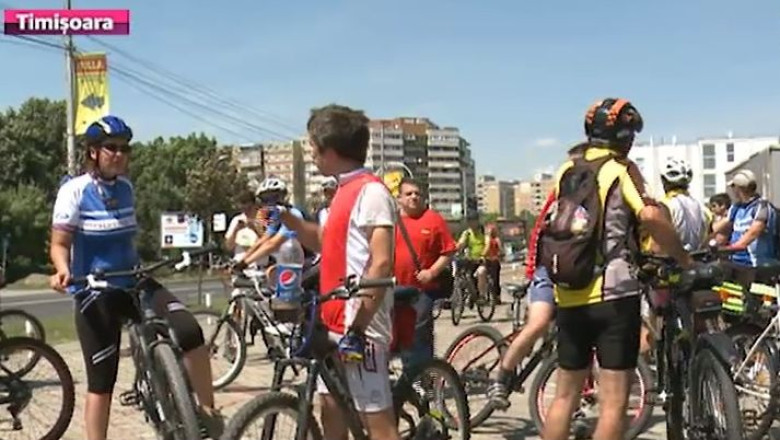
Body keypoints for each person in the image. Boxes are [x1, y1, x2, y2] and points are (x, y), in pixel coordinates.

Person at [48, 116, 223, 440]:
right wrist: (62, 269)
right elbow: (60, 244)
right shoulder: (74, 191)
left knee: (190, 330)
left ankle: (206, 413)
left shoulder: (126, 188)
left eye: (125, 148)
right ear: (92, 152)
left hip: (135, 280)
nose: (119, 154)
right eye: (111, 148)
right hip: (95, 290)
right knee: (102, 381)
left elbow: (126, 241)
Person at [542, 98, 692, 440]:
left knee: (565, 395)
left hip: (568, 293)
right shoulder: (619, 171)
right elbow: (651, 217)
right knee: (613, 403)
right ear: (624, 137)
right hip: (612, 295)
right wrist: (684, 259)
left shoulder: (566, 170)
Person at [265, 104, 400, 440]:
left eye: (312, 146)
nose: (310, 153)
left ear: (331, 149)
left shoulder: (371, 192)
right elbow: (328, 243)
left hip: (361, 323)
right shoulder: (341, 191)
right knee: (331, 408)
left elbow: (381, 261)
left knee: (377, 422)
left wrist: (359, 325)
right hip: (333, 317)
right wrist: (293, 222)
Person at [487, 190, 557, 409]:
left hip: (579, 277)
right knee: (539, 322)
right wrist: (531, 273)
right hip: (547, 270)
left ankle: (576, 405)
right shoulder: (561, 195)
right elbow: (537, 235)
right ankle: (502, 376)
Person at [394, 177, 456, 374]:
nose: (413, 197)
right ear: (399, 198)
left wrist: (432, 272)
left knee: (418, 335)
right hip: (393, 289)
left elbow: (448, 252)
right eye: (408, 193)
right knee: (398, 335)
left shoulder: (433, 219)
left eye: (417, 194)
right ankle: (409, 375)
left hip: (422, 291)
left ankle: (422, 377)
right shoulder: (390, 221)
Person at [235, 177, 305, 269]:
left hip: (307, 261)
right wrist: (241, 260)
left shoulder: (293, 214)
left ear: (284, 197)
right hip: (289, 261)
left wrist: (245, 263)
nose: (271, 202)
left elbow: (272, 244)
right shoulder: (276, 217)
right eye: (266, 199)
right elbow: (263, 240)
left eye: (275, 197)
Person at [713, 169, 777, 267]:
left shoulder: (761, 207)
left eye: (733, 187)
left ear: (738, 188)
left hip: (757, 265)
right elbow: (720, 230)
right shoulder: (736, 207)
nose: (732, 191)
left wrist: (725, 249)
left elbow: (751, 235)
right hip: (737, 262)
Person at [224, 189, 263, 266]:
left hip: (259, 265)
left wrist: (255, 229)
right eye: (243, 208)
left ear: (254, 204)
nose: (246, 211)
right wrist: (236, 230)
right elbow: (228, 247)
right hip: (240, 264)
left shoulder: (263, 219)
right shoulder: (237, 220)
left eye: (249, 208)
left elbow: (270, 242)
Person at [456, 215, 489, 305]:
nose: (471, 223)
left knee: (481, 272)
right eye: (469, 221)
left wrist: (483, 255)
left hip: (482, 260)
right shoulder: (467, 233)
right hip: (470, 260)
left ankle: (482, 296)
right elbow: (461, 243)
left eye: (473, 221)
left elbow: (487, 244)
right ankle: (467, 294)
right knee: (463, 275)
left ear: (477, 221)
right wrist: (456, 248)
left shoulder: (484, 232)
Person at [483, 223, 503, 303]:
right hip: (495, 260)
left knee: (488, 278)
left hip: (488, 260)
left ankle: (487, 296)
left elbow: (487, 248)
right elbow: (500, 249)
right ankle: (497, 297)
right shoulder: (497, 239)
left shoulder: (487, 238)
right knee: (495, 280)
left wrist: (482, 254)